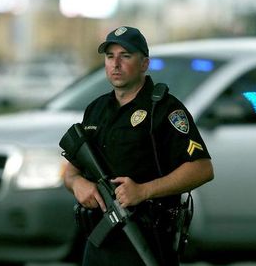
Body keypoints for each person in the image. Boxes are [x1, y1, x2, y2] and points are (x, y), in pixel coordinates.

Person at [63, 26, 214, 266]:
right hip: (97, 241)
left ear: (144, 64)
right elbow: (71, 170)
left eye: (125, 56)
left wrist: (143, 191)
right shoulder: (96, 109)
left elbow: (202, 168)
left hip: (146, 239)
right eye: (110, 56)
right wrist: (78, 184)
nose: (116, 64)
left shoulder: (164, 109)